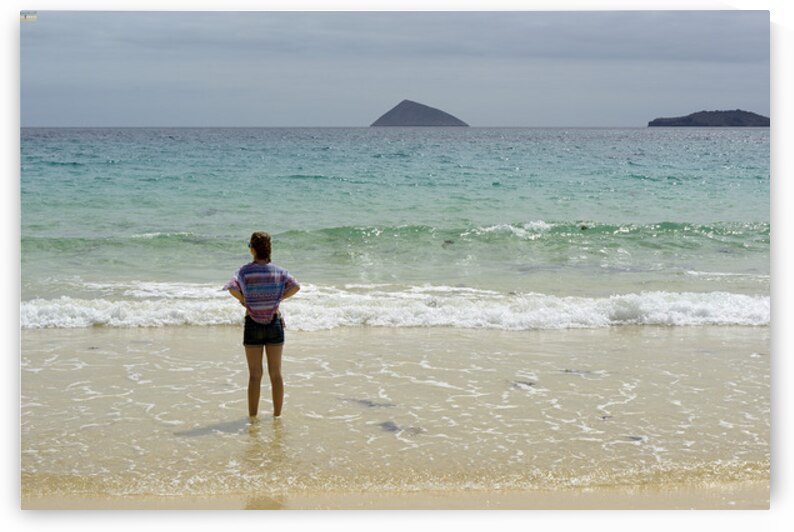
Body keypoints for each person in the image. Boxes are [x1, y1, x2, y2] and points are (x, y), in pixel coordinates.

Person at [224, 231, 300, 419]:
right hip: (274, 322)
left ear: (253, 249)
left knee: (255, 376)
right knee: (276, 374)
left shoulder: (244, 271)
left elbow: (232, 287)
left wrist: (244, 301)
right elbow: (296, 286)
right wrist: (278, 298)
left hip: (253, 323)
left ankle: (253, 417)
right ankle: (277, 416)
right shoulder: (279, 271)